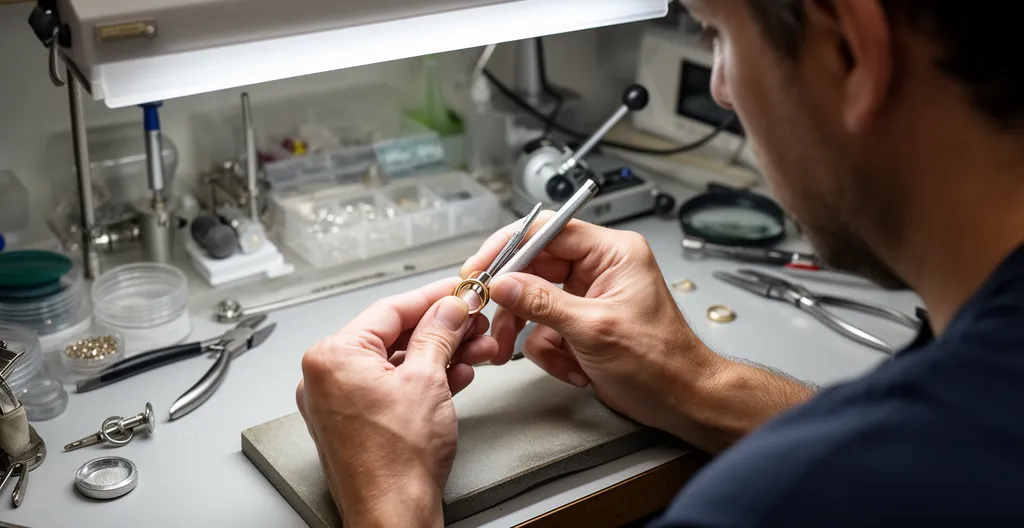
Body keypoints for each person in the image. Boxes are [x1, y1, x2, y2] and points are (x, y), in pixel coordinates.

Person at [296, 0, 1024, 525]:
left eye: (717, 34)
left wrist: (389, 499)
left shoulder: (772, 503)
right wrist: (697, 382)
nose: (720, 89)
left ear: (850, 50)